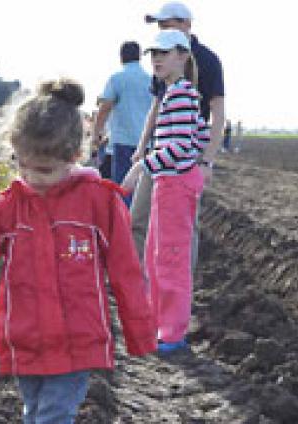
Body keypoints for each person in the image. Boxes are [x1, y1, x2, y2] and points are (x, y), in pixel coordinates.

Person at [0, 79, 156, 424]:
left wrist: (138, 332)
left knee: (53, 416)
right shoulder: (8, 206)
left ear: (74, 156)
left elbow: (127, 271)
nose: (31, 177)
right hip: (24, 341)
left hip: (77, 343)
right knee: (34, 413)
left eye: (44, 170)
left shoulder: (99, 202)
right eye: (22, 165)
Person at [122, 30, 209, 354]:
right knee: (155, 256)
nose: (156, 59)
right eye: (152, 54)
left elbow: (181, 146)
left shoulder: (182, 95)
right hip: (168, 183)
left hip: (174, 185)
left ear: (182, 56)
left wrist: (142, 165)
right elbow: (198, 137)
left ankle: (172, 333)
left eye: (163, 53)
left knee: (170, 260)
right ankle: (157, 324)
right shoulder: (179, 93)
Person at [132, 1, 224, 267]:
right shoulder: (162, 62)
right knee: (138, 219)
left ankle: (180, 286)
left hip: (185, 159)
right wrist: (141, 148)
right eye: (159, 25)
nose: (161, 29)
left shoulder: (207, 60)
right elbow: (156, 107)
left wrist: (207, 160)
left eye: (167, 23)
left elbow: (217, 112)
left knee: (184, 227)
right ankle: (141, 284)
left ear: (187, 25)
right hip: (158, 155)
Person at [92, 41, 152, 193]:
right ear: (139, 56)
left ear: (121, 57)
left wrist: (96, 135)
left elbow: (104, 109)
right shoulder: (151, 80)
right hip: (146, 143)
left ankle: (124, 217)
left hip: (123, 141)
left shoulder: (117, 79)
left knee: (123, 189)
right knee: (141, 191)